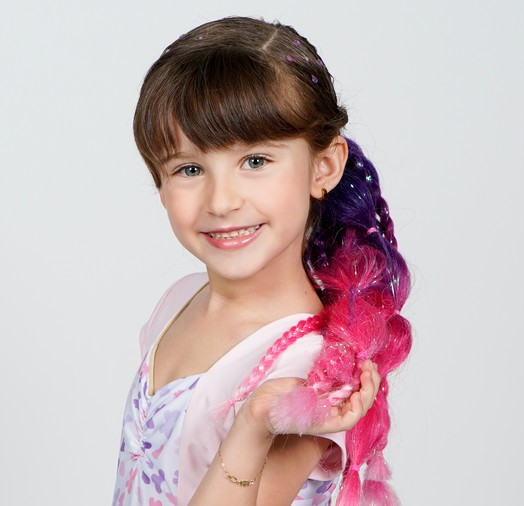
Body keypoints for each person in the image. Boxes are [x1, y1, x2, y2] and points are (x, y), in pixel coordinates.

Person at [112, 16, 412, 506]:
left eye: (255, 161)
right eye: (190, 168)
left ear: (324, 167)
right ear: (159, 183)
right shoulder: (181, 298)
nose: (221, 201)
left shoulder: (312, 367)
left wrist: (253, 424)